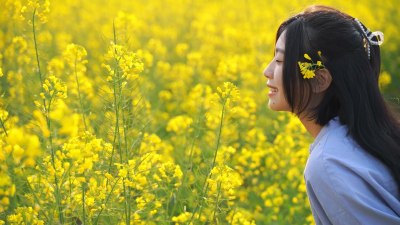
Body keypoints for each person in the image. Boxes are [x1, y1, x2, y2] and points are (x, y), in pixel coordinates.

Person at [263, 5, 400, 225]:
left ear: (319, 80)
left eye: (280, 62)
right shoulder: (373, 134)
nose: (267, 71)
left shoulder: (329, 163)